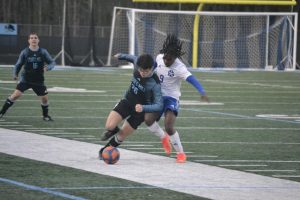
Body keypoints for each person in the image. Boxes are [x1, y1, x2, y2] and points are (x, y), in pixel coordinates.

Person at [147, 34, 209, 163]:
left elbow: (192, 79)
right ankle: (163, 138)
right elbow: (151, 69)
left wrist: (202, 91)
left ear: (175, 58)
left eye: (169, 60)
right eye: (165, 58)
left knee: (169, 126)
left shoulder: (180, 67)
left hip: (171, 98)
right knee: (148, 120)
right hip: (158, 96)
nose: (166, 61)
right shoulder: (159, 58)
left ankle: (181, 153)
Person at [99, 53, 164, 158]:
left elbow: (159, 105)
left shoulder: (155, 83)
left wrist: (144, 108)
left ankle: (105, 150)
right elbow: (132, 58)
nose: (142, 73)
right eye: (141, 70)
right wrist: (120, 56)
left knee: (122, 135)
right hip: (127, 102)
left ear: (151, 68)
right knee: (109, 126)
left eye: (146, 71)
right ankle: (114, 130)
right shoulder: (138, 63)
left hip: (140, 112)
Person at [0, 32, 55, 121]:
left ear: (38, 40)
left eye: (35, 38)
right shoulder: (25, 52)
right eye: (32, 38)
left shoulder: (43, 51)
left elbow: (52, 62)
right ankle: (1, 112)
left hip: (38, 80)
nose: (34, 39)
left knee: (44, 99)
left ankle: (45, 116)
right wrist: (15, 74)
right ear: (29, 40)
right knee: (15, 95)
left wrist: (48, 67)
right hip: (26, 79)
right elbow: (18, 65)